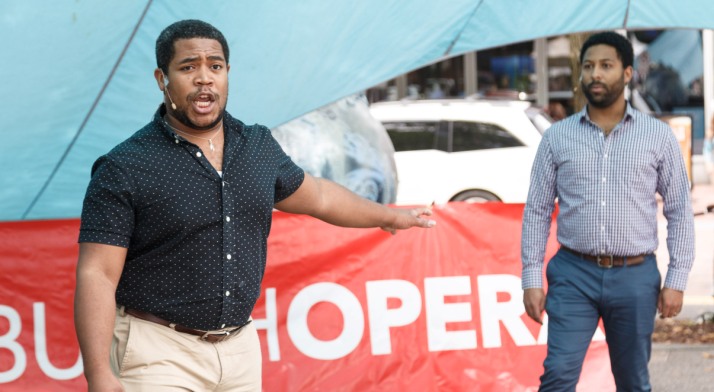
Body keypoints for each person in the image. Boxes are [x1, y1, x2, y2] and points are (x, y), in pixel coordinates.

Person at [74, 19, 435, 392]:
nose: (204, 78)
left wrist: (390, 216)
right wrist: (99, 372)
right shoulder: (125, 167)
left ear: (227, 73)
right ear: (161, 78)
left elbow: (322, 197)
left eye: (214, 66)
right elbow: (97, 274)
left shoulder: (258, 147)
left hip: (239, 350)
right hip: (157, 349)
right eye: (188, 67)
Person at [521, 32, 695, 391]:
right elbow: (537, 211)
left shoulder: (657, 137)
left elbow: (679, 209)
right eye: (588, 67)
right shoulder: (557, 137)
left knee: (632, 382)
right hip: (572, 275)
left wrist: (676, 279)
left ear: (628, 73)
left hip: (635, 278)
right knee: (557, 376)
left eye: (606, 66)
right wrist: (531, 277)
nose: (595, 74)